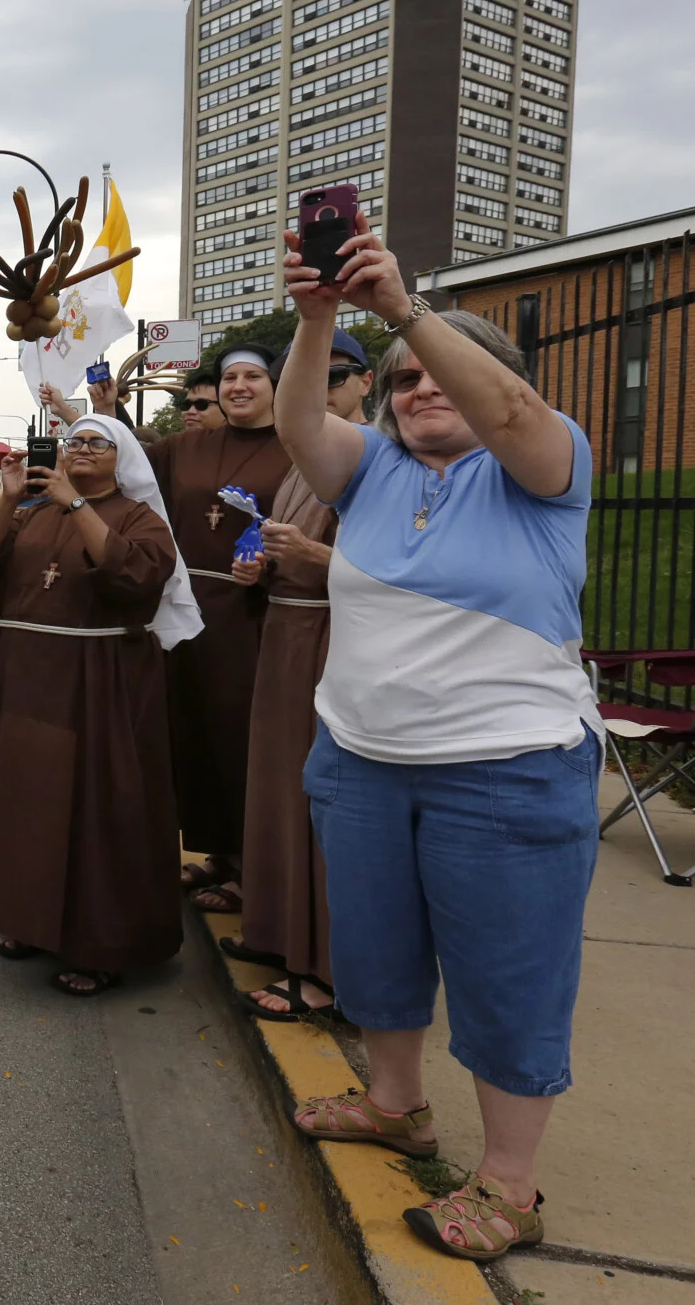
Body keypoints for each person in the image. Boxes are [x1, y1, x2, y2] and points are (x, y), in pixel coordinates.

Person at [276, 215, 602, 1261]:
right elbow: (297, 427)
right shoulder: (371, 469)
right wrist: (321, 320)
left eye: (435, 375)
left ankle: (509, 1184)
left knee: (509, 974)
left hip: (505, 775)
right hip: (362, 763)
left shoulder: (543, 465)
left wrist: (402, 307)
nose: (417, 390)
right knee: (374, 951)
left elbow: (505, 405)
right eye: (400, 379)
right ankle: (397, 1103)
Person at [0, 414, 202, 996]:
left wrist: (75, 506)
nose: (82, 449)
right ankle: (27, 920)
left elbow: (135, 575)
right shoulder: (30, 513)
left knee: (97, 808)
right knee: (30, 804)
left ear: (123, 457)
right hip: (26, 680)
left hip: (100, 683)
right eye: (76, 441)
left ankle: (100, 945)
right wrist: (10, 499)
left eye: (98, 442)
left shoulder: (140, 517)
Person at [225, 332, 372, 1022]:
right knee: (279, 791)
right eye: (305, 383)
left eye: (335, 376)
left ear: (366, 382)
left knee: (324, 802)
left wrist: (310, 553)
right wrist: (258, 568)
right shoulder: (298, 464)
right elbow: (278, 550)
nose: (322, 391)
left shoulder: (380, 461)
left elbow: (400, 576)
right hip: (283, 634)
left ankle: (326, 966)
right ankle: (279, 932)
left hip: (331, 641)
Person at [147, 344, 291, 909]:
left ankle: (249, 866)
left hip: (251, 611)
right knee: (193, 732)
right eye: (230, 377)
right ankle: (213, 853)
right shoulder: (185, 447)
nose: (239, 386)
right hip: (187, 608)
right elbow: (131, 477)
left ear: (275, 385)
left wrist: (272, 566)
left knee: (241, 739)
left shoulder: (296, 447)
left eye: (253, 376)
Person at [181, 366, 224, 432]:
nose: (190, 411)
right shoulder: (172, 442)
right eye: (186, 405)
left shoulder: (241, 442)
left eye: (201, 404)